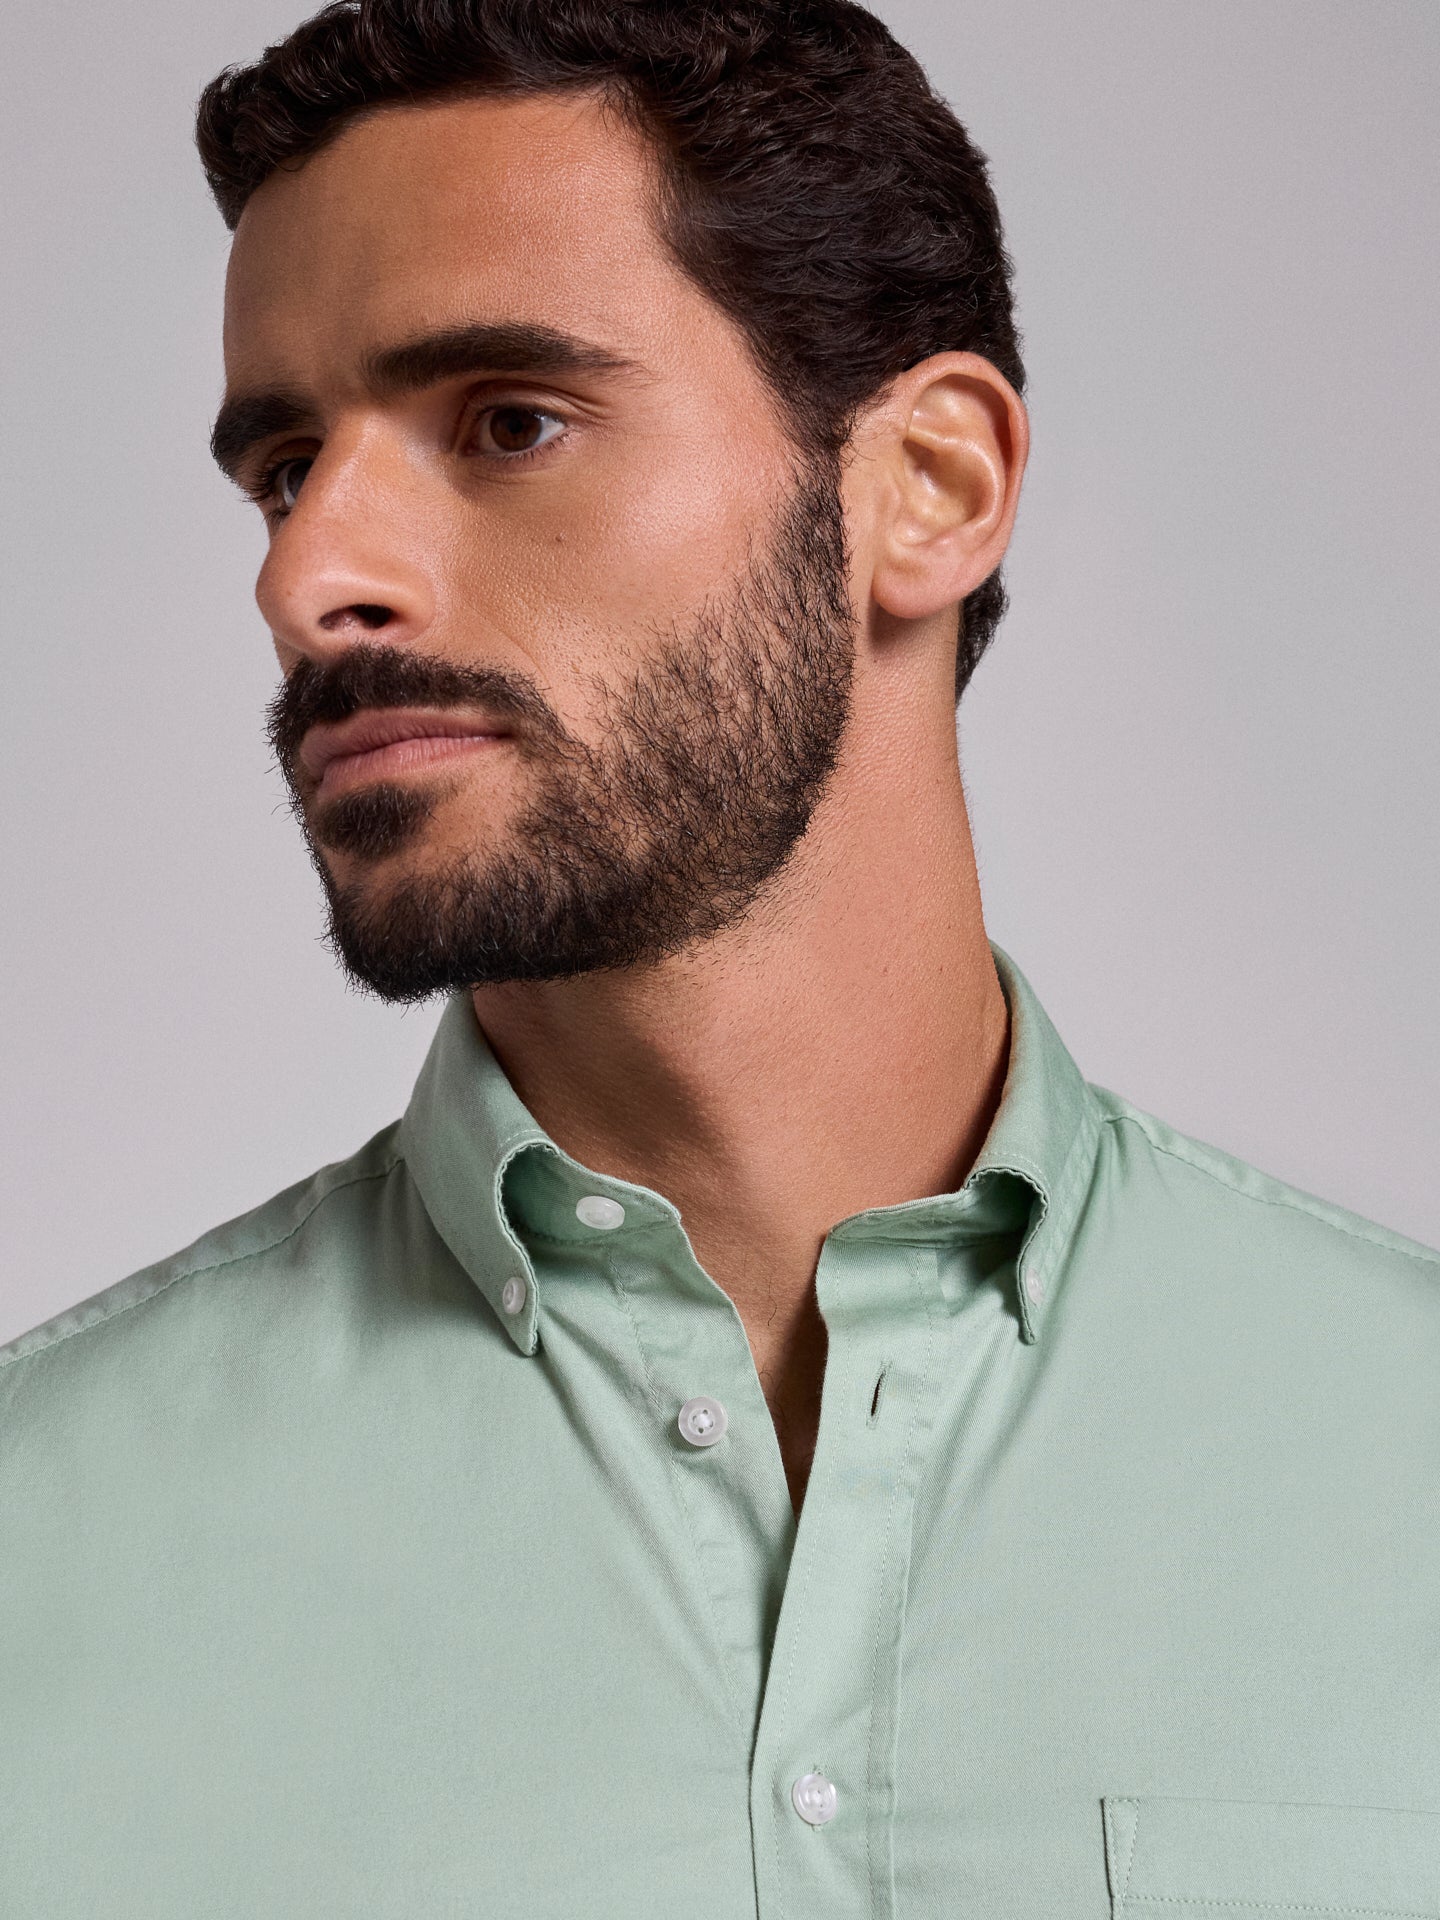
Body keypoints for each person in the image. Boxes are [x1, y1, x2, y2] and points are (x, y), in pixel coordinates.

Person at [3, 1, 1436, 1912]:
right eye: (283, 467)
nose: (308, 575)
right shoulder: (44, 1549)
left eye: (510, 422)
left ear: (929, 487)